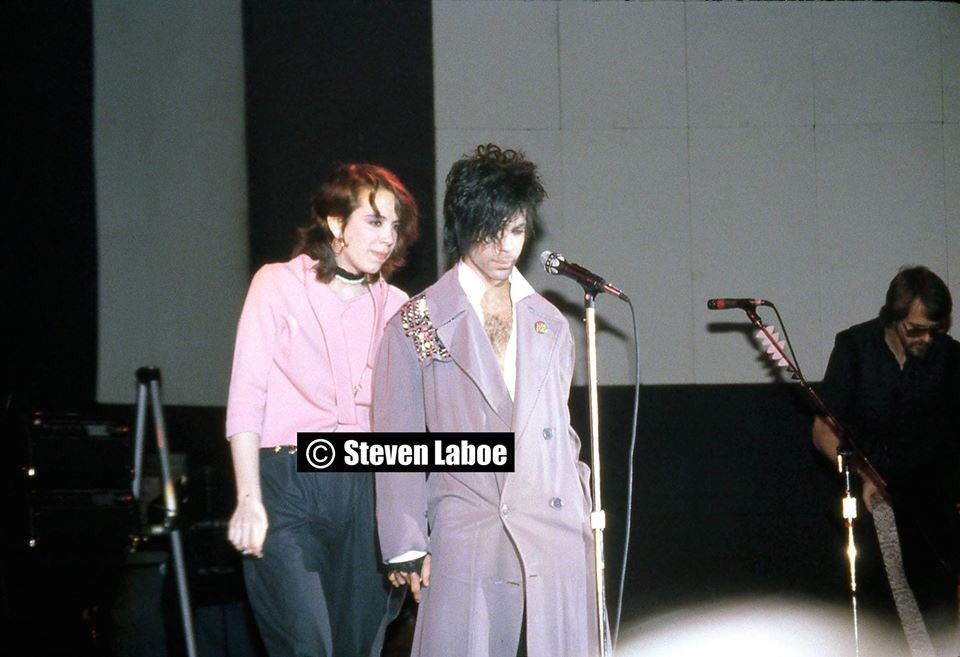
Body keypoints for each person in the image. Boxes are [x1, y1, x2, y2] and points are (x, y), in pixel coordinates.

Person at [371, 144, 599, 657]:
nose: (504, 247)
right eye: (489, 231)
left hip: (553, 526)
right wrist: (407, 543)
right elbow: (397, 434)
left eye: (515, 231)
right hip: (470, 524)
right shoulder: (421, 320)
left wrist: (582, 512)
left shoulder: (550, 322)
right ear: (461, 227)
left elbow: (559, 430)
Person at [224, 162, 419, 657]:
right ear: (336, 223)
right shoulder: (275, 283)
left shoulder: (403, 307)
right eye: (374, 221)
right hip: (288, 483)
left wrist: (413, 529)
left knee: (360, 645)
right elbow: (247, 394)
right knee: (305, 644)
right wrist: (248, 499)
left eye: (394, 226)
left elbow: (435, 400)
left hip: (368, 483)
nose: (388, 237)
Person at [812, 265, 960, 655]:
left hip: (930, 502)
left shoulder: (949, 357)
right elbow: (823, 431)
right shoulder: (854, 348)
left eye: (935, 330)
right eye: (916, 329)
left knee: (936, 601)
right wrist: (862, 475)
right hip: (870, 497)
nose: (926, 339)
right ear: (893, 318)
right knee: (882, 605)